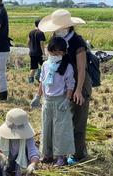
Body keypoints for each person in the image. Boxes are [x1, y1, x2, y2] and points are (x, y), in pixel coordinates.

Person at [38, 9, 91, 164]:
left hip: (79, 82)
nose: (55, 30)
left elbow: (81, 68)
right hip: (59, 86)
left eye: (57, 27)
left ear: (67, 27)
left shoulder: (77, 42)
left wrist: (79, 90)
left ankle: (77, 154)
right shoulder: (55, 38)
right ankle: (56, 152)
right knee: (61, 121)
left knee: (77, 120)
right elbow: (49, 63)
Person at [30, 37, 75, 166]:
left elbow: (70, 85)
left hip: (61, 100)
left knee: (60, 129)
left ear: (64, 53)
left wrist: (67, 99)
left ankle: (61, 157)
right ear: (49, 51)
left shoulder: (67, 66)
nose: (56, 55)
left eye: (59, 52)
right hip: (47, 101)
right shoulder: (45, 64)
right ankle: (47, 154)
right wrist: (38, 97)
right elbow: (42, 82)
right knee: (46, 127)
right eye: (53, 52)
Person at [0, 108, 40, 176]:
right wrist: (0, 155)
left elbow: (33, 152)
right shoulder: (3, 135)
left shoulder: (28, 137)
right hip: (6, 165)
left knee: (29, 167)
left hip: (21, 167)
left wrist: (33, 164)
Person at [28, 18, 46, 83]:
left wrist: (30, 49)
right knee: (44, 66)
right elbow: (42, 44)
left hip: (32, 53)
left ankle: (30, 82)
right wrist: (44, 53)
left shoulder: (31, 32)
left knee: (33, 68)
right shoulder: (41, 33)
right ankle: (39, 77)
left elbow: (28, 42)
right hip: (39, 53)